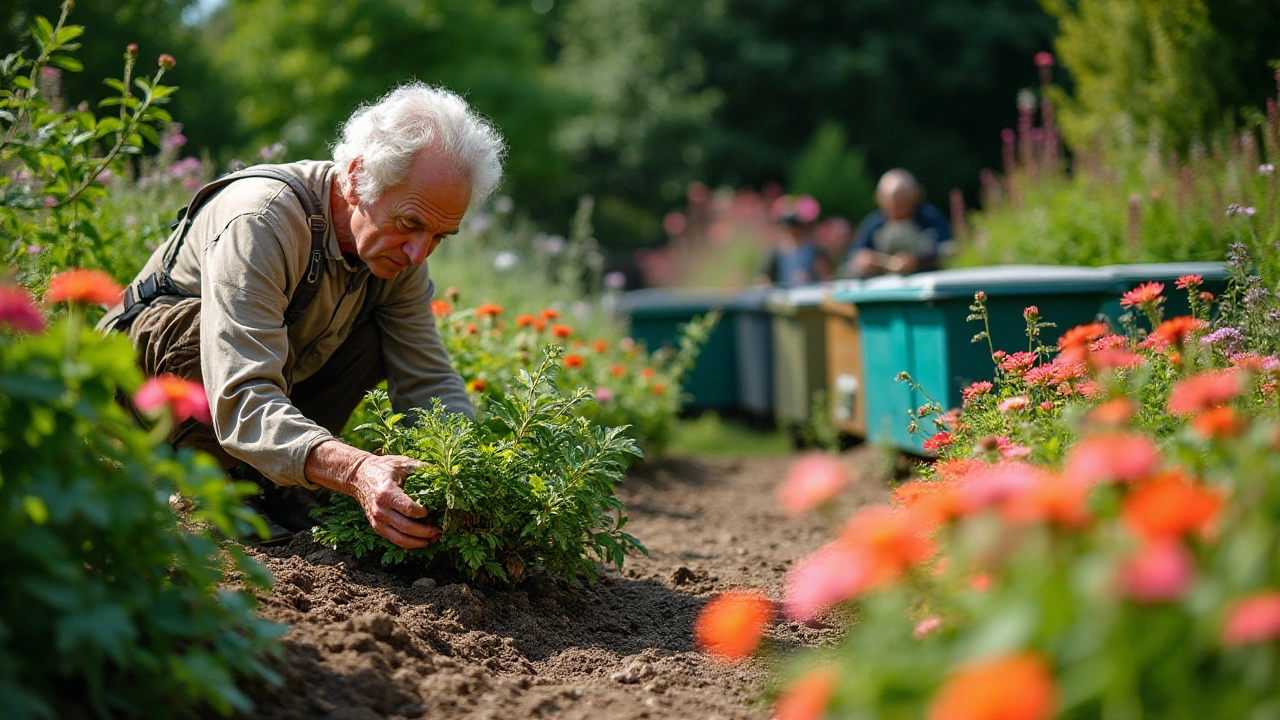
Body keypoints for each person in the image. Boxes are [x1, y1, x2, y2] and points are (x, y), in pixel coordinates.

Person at [98, 82, 506, 548]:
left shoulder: (399, 257)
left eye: (439, 236)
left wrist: (470, 476)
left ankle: (273, 481)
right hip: (138, 389)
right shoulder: (262, 220)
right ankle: (211, 485)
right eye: (410, 224)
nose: (419, 253)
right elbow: (243, 392)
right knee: (197, 336)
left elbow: (427, 380)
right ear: (356, 178)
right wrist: (354, 469)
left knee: (377, 338)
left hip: (246, 398)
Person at [844, 169, 952, 277]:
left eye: (901, 204)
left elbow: (946, 250)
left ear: (913, 197)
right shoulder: (874, 223)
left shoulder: (930, 218)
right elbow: (853, 255)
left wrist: (918, 261)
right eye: (890, 205)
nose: (895, 211)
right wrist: (862, 260)